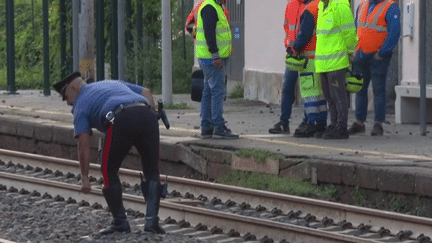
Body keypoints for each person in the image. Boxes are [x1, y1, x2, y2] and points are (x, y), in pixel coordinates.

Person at [53, 72, 166, 235]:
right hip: (147, 114)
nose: (67, 102)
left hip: (121, 118)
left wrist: (85, 178)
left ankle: (120, 222)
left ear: (75, 87)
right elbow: (146, 92)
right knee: (152, 170)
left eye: (66, 96)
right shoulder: (111, 83)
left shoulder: (80, 106)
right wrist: (150, 117)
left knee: (108, 169)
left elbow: (83, 144)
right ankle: (152, 222)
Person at [348, 0, 401, 136]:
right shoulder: (362, 6)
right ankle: (359, 122)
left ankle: (378, 123)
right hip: (361, 54)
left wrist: (383, 53)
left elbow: (394, 32)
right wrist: (354, 50)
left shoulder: (390, 7)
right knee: (360, 89)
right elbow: (355, 28)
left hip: (377, 56)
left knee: (378, 90)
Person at [314, 0, 357, 139]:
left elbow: (349, 33)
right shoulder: (322, 7)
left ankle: (341, 127)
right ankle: (333, 124)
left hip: (336, 61)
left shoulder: (340, 7)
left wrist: (351, 51)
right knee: (329, 97)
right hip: (323, 63)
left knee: (338, 96)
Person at [196, 0, 238, 139]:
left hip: (208, 57)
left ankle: (207, 127)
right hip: (212, 59)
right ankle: (218, 126)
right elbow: (209, 32)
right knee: (218, 91)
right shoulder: (210, 7)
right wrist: (215, 55)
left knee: (208, 91)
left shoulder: (214, 6)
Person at [288, 0, 328, 138]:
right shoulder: (322, 6)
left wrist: (295, 48)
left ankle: (311, 123)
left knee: (310, 93)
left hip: (309, 58)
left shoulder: (310, 9)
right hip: (321, 58)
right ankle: (322, 122)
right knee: (320, 93)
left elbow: (305, 33)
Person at [269, 0, 309, 135]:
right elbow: (287, 27)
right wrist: (289, 46)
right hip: (293, 54)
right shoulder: (291, 5)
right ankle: (284, 122)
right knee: (287, 88)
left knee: (307, 89)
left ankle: (307, 120)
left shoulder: (311, 5)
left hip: (307, 54)